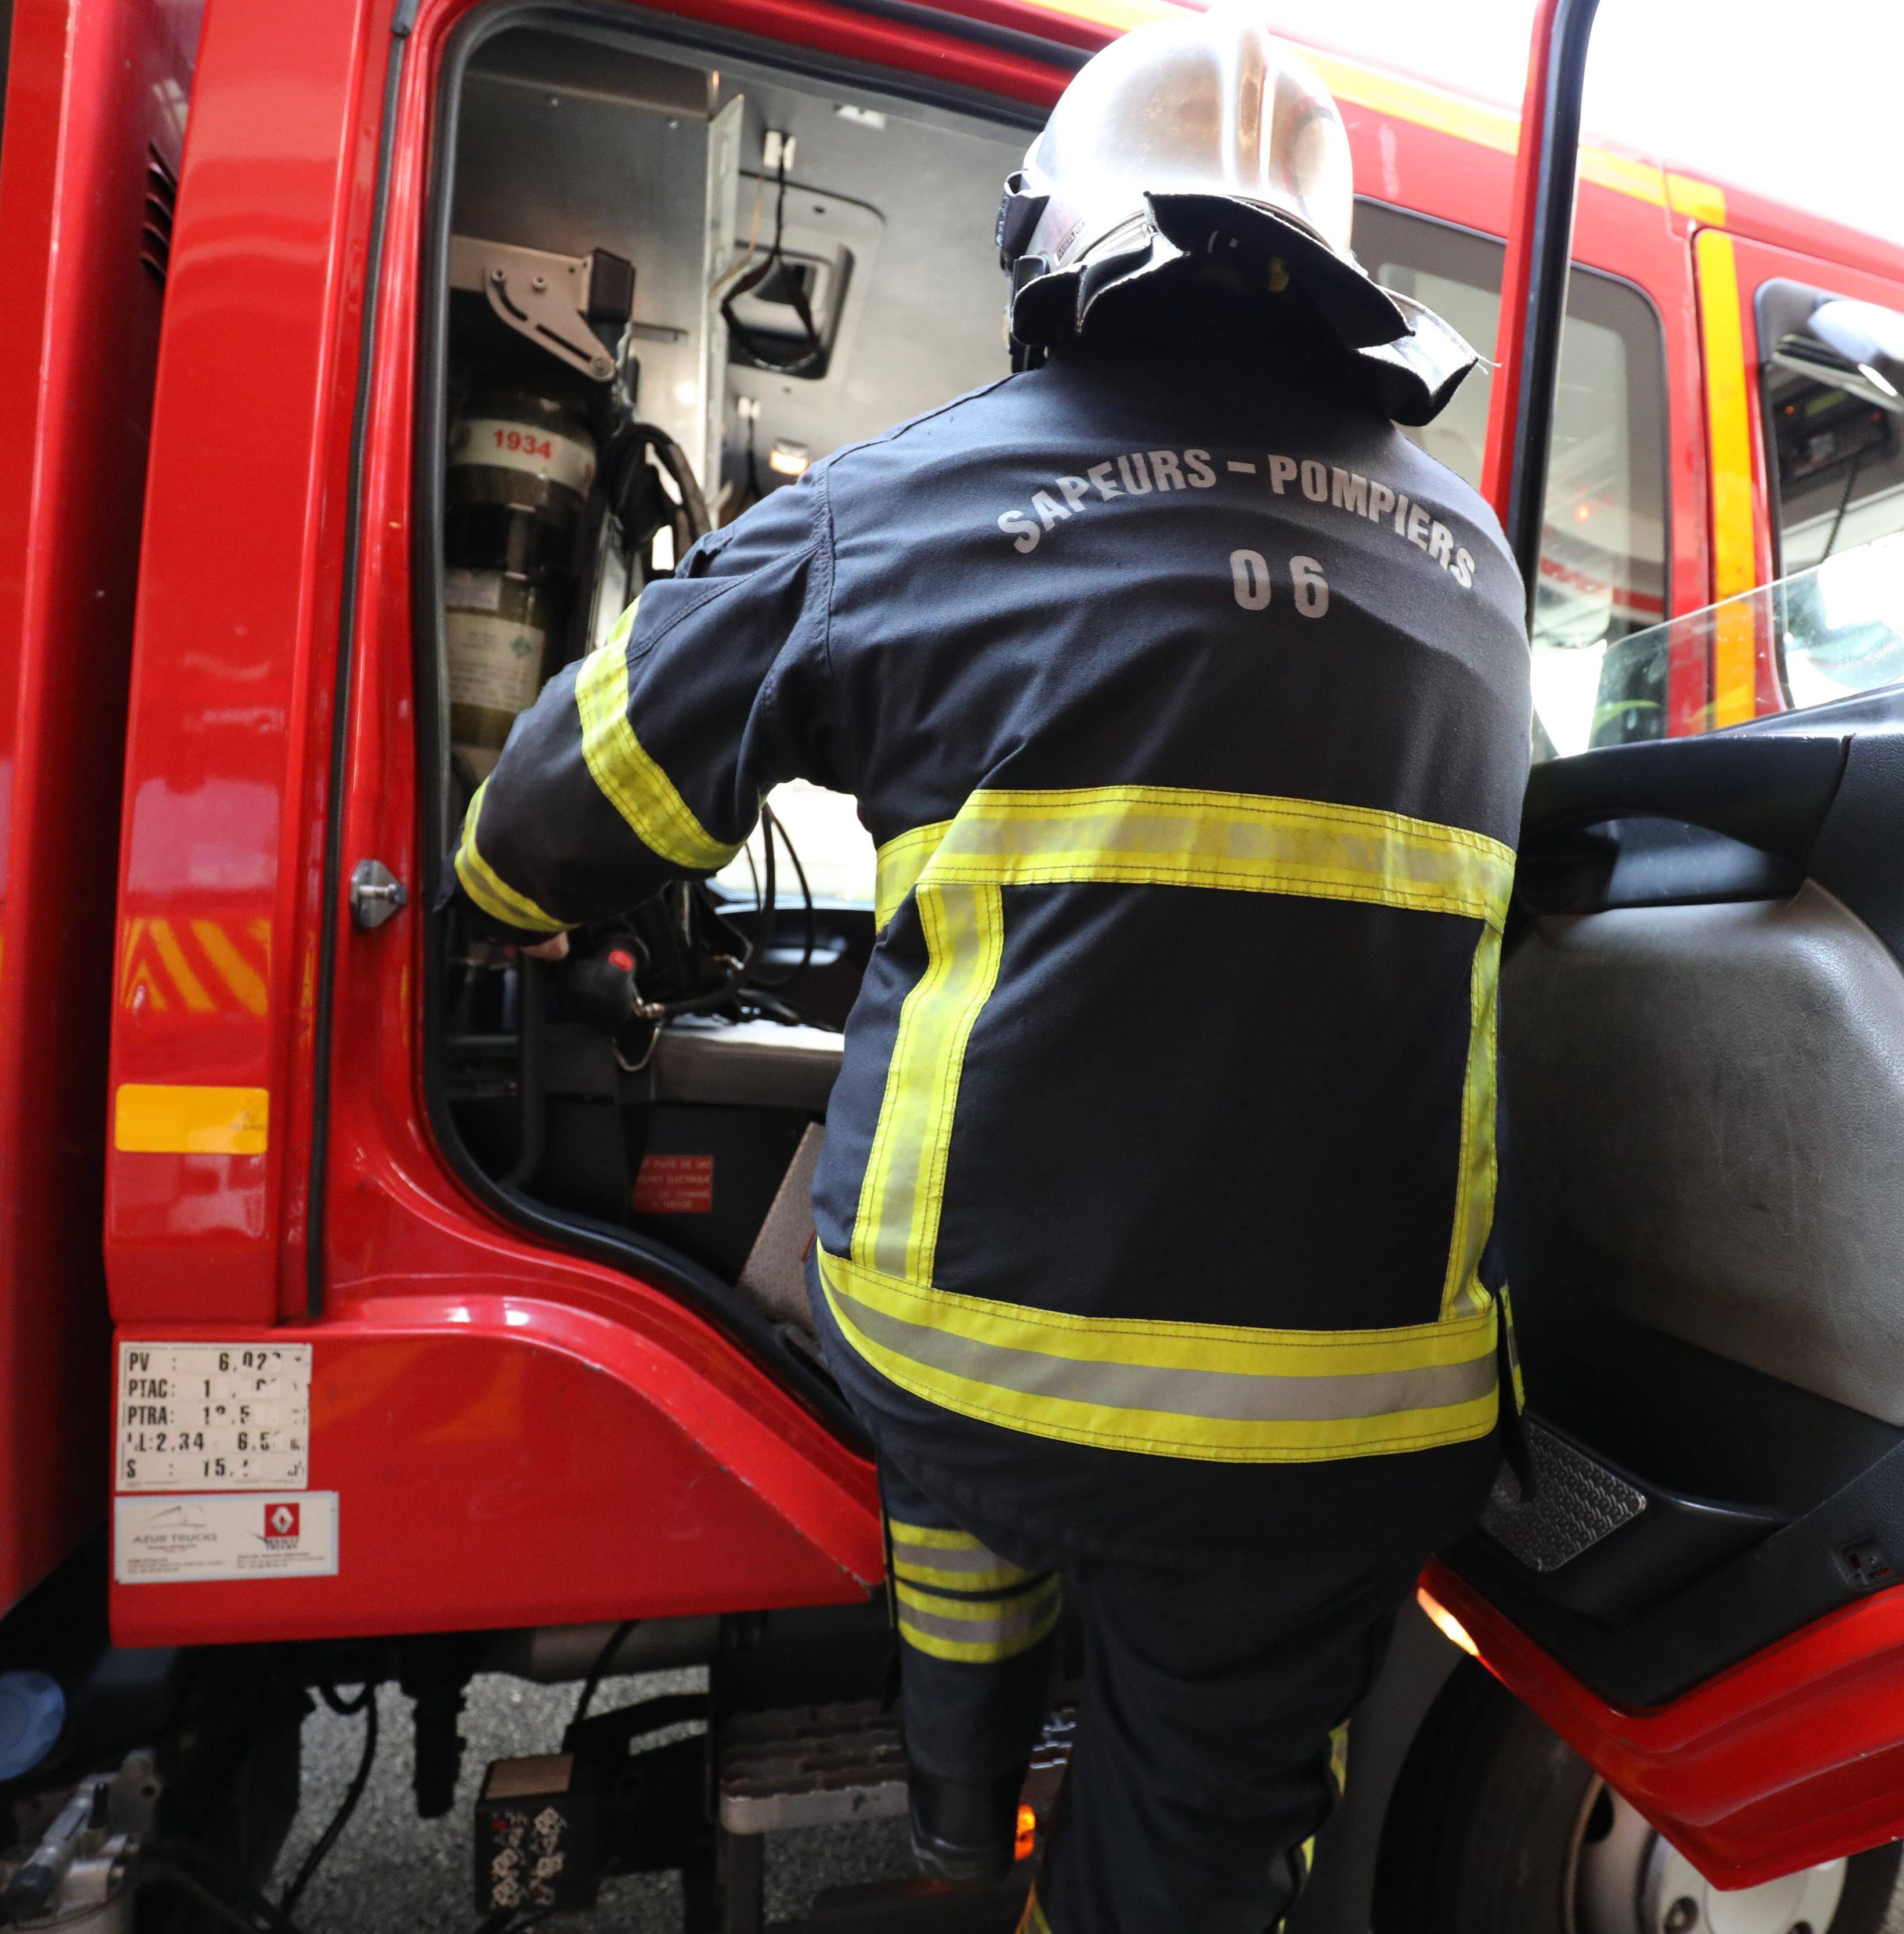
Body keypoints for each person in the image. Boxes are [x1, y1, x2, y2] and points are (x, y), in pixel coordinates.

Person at [449, 14, 1530, 1928]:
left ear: (1057, 248)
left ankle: (955, 1823)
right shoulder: (1473, 556)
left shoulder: (913, 503)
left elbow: (544, 818)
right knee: (1208, 1824)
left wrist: (509, 901)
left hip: (978, 1367)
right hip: (1354, 1421)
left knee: (932, 1365)